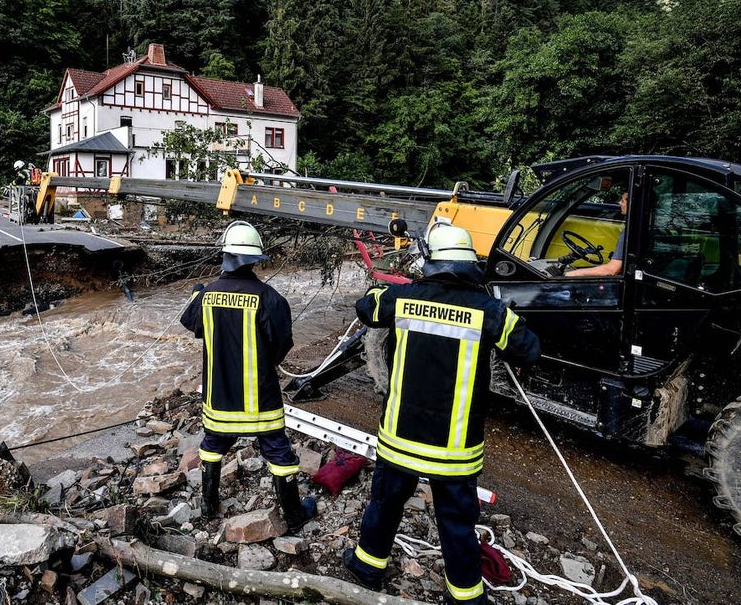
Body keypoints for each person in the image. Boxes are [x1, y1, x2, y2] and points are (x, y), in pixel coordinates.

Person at [343, 221, 541, 600]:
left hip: (400, 439)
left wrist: (389, 288)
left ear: (430, 262)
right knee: (455, 523)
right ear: (469, 264)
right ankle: (465, 593)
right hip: (454, 449)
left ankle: (367, 567)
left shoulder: (401, 299)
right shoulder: (489, 311)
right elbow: (529, 350)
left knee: (384, 505)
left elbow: (366, 307)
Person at [180, 220, 317, 533]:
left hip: (219, 400)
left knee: (212, 446)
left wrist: (196, 294)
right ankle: (295, 515)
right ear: (256, 259)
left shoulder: (208, 295)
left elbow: (191, 323)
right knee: (279, 452)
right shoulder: (270, 298)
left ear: (226, 256)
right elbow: (282, 345)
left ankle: (208, 504)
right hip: (261, 401)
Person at [565, 191, 627, 277]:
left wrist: (574, 273)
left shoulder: (628, 233)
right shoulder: (633, 228)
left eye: (623, 201)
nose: (620, 203)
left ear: (631, 203)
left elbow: (612, 270)